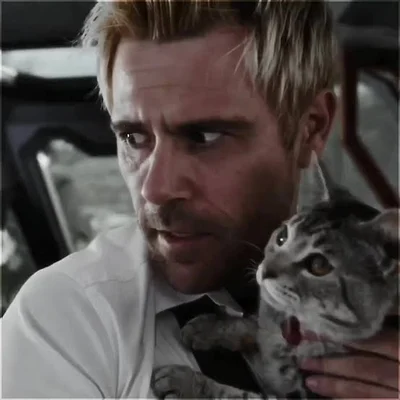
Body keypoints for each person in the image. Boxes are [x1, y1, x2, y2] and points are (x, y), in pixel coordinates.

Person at [2, 1, 398, 398]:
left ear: (310, 128)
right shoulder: (69, 323)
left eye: (205, 137)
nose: (155, 189)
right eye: (133, 138)